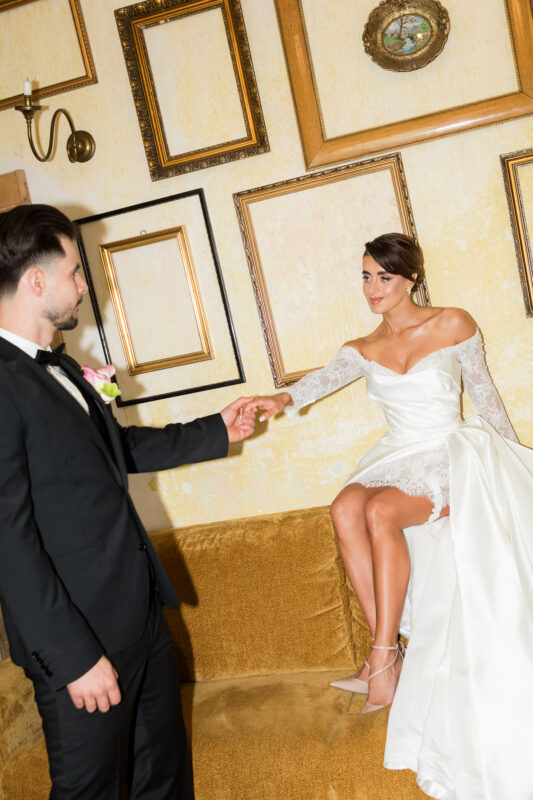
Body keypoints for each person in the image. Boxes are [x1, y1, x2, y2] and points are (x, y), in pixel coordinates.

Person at [248, 232, 533, 799]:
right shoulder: (362, 347)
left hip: (452, 452)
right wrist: (278, 400)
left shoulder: (453, 323)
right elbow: (319, 382)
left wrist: (508, 466)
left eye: (384, 277)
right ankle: (390, 654)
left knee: (380, 510)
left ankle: (381, 659)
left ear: (411, 279)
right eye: (365, 277)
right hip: (399, 453)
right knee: (344, 506)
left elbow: (486, 398)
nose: (372, 288)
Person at [0, 203, 256, 800]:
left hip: (141, 621)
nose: (83, 286)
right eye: (74, 271)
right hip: (80, 641)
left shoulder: (65, 366)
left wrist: (218, 429)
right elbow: (8, 541)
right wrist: (73, 658)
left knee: (163, 782)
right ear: (35, 281)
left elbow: (118, 451)